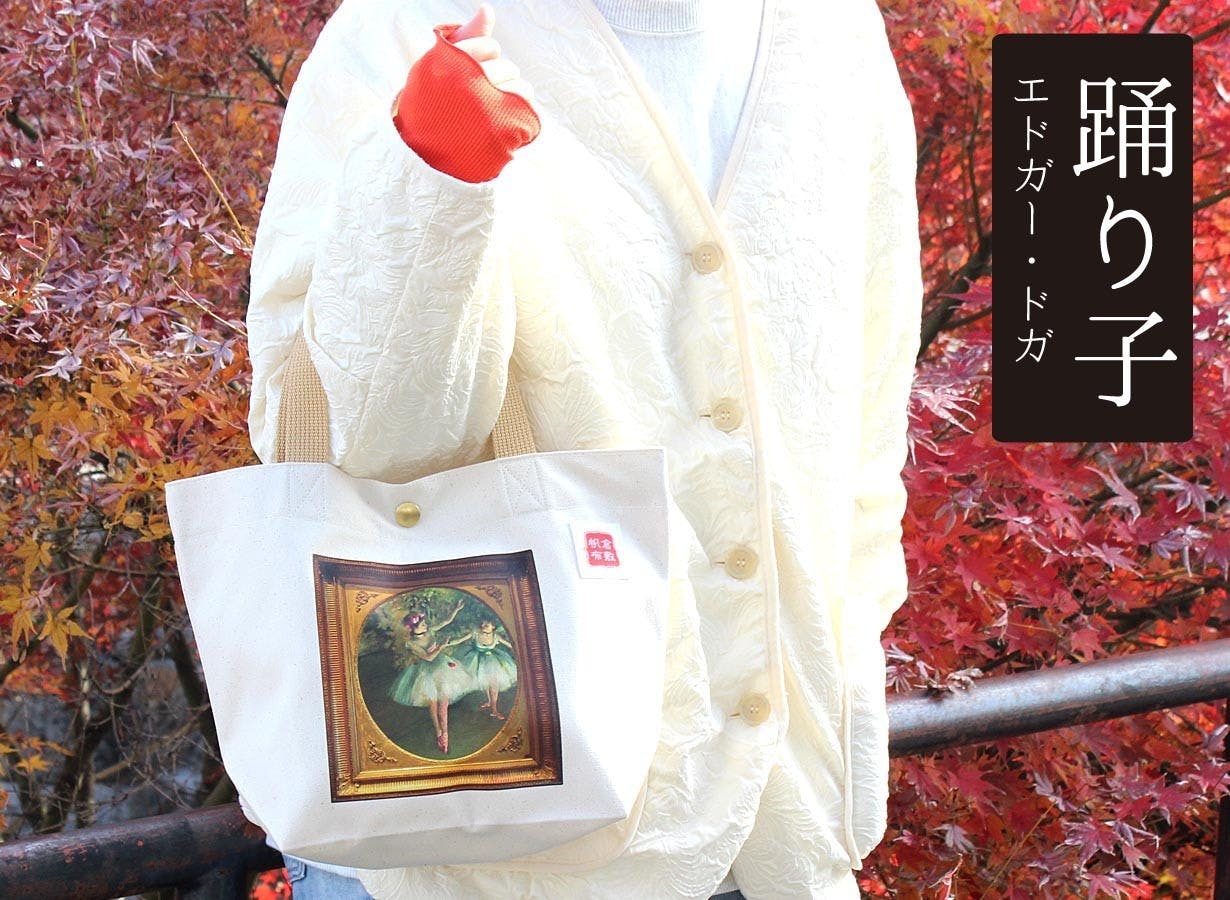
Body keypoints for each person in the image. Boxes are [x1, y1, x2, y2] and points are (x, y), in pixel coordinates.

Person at [249, 0, 924, 896]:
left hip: (788, 819)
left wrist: (848, 658)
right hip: (492, 851)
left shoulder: (835, 29)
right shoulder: (403, 28)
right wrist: (430, 176)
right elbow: (344, 448)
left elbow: (871, 403)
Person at [387, 608, 473, 753]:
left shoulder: (429, 631)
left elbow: (446, 621)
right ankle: (438, 732)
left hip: (442, 668)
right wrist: (442, 646)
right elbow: (429, 657)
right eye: (422, 625)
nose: (425, 625)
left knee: (443, 704)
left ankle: (445, 735)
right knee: (433, 704)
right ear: (413, 628)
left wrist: (456, 609)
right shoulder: (411, 644)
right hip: (426, 672)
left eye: (425, 623)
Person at [453, 617, 519, 719]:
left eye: (486, 625)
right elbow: (459, 640)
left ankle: (494, 710)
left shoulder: (495, 636)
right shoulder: (475, 633)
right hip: (477, 660)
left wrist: (521, 647)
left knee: (493, 684)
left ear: (493, 627)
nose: (483, 626)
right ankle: (490, 703)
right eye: (482, 624)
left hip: (493, 661)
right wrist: (447, 644)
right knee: (487, 682)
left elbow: (510, 645)